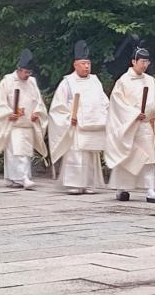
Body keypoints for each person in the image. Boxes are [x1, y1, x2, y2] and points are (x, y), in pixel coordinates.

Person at [105, 47, 155, 203]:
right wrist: (133, 114)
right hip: (129, 126)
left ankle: (150, 190)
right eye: (142, 61)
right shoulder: (123, 81)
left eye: (147, 61)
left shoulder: (150, 81)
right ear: (134, 62)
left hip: (145, 125)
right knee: (126, 157)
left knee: (148, 158)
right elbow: (117, 104)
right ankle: (122, 188)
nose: (145, 65)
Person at [49, 40, 109, 195]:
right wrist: (69, 117)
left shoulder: (95, 81)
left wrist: (106, 116)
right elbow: (57, 108)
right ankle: (74, 183)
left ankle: (89, 183)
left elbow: (104, 102)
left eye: (88, 63)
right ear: (75, 65)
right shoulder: (67, 83)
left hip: (93, 126)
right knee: (76, 154)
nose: (87, 66)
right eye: (83, 63)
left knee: (90, 156)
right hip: (76, 125)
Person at [0, 49, 49, 190]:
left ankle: (14, 178)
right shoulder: (7, 82)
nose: (27, 75)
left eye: (29, 73)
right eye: (26, 72)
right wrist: (9, 113)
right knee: (17, 152)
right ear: (19, 70)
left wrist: (37, 113)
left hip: (28, 124)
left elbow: (38, 102)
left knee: (25, 153)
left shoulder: (32, 82)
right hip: (14, 124)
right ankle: (23, 178)